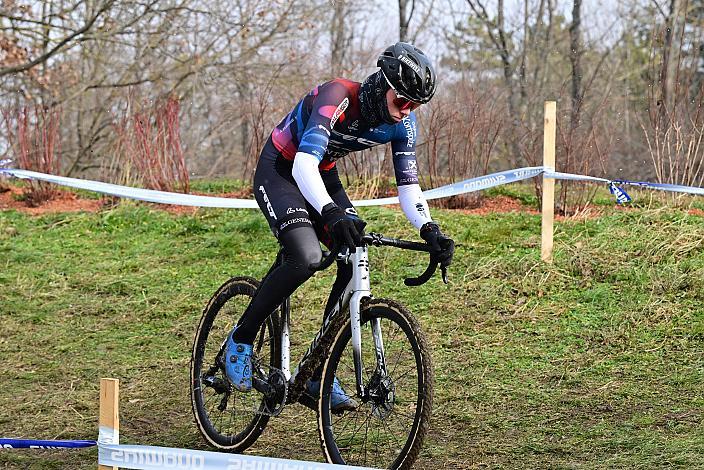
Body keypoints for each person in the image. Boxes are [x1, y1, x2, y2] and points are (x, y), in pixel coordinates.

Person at [224, 42, 455, 413]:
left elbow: (409, 187)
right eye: (404, 100)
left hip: (323, 174)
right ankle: (242, 337)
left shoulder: (403, 126)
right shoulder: (338, 96)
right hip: (283, 168)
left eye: (416, 104)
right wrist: (331, 212)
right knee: (306, 255)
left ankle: (318, 371)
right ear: (384, 85)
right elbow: (302, 166)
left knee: (354, 255)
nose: (408, 110)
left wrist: (430, 229)